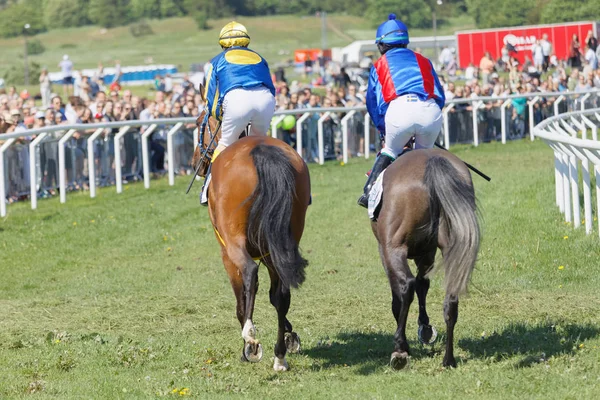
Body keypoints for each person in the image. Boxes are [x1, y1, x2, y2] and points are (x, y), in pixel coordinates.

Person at [357, 14, 445, 208]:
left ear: (381, 45)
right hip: (429, 112)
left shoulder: (379, 65)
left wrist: (384, 131)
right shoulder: (424, 60)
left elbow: (374, 105)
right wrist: (427, 124)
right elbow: (440, 97)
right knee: (424, 157)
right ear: (405, 42)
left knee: (389, 151)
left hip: (399, 113)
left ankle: (369, 190)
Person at [200, 21, 276, 206]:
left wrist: (218, 114)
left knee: (225, 143)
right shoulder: (259, 57)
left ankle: (207, 188)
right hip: (265, 98)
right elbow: (271, 87)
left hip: (236, 100)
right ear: (246, 41)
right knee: (261, 143)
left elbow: (210, 96)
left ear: (222, 43)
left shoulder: (216, 61)